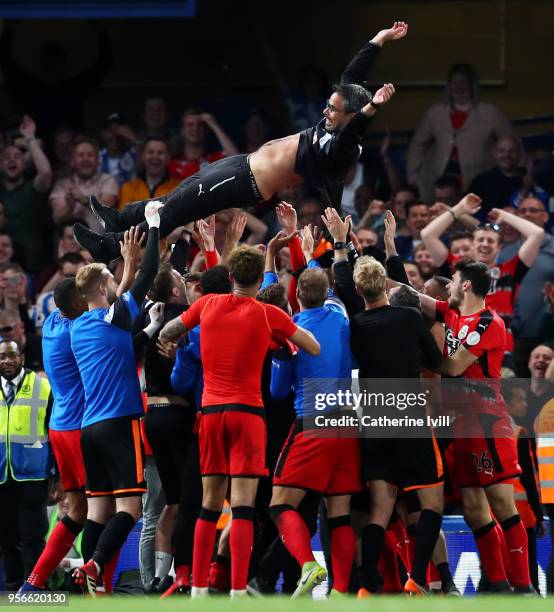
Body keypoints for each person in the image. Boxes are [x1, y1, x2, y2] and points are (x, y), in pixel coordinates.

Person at [73, 22, 409, 263]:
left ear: (353, 114)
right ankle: (123, 218)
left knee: (175, 212)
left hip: (246, 183)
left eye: (334, 110)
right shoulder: (341, 109)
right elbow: (351, 76)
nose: (326, 110)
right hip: (243, 163)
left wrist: (372, 108)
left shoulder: (344, 147)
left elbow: (353, 131)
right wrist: (380, 39)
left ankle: (113, 245)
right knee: (178, 194)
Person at [158, 245, 320, 598]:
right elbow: (313, 347)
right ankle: (236, 591)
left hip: (212, 414)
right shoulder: (267, 314)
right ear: (258, 280)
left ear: (230, 277)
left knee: (209, 503)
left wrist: (176, 337)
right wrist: (281, 340)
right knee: (244, 505)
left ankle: (199, 588)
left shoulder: (206, 305)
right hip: (248, 415)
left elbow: (170, 329)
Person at [416, 259, 535, 593]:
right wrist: (353, 253)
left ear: (466, 285)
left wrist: (413, 353)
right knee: (472, 509)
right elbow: (412, 296)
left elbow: (452, 367)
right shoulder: (452, 313)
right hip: (459, 429)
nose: (449, 285)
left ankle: (523, 585)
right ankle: (496, 583)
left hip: (486, 424)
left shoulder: (489, 323)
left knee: (501, 503)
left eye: (453, 279)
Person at [69, 202, 162, 595]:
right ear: (104, 287)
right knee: (130, 510)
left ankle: (94, 588)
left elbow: (121, 350)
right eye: (110, 278)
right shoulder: (113, 317)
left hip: (89, 428)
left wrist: (151, 329)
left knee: (98, 512)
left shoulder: (80, 327)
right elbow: (148, 274)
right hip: (119, 424)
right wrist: (153, 227)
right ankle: (93, 565)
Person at [267, 265, 359, 598]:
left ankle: (308, 565)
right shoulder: (339, 316)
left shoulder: (294, 333)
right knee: (340, 513)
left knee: (279, 505)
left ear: (296, 297)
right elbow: (324, 287)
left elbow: (278, 392)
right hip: (348, 423)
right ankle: (341, 592)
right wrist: (310, 255)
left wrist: (279, 359)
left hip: (313, 424)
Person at [19, 279, 88, 592]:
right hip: (78, 427)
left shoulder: (52, 322)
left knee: (79, 511)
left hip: (60, 425)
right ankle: (100, 586)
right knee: (104, 510)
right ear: (78, 304)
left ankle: (32, 584)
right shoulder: (79, 332)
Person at [421, 194, 544, 329]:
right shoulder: (457, 268)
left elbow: (537, 233)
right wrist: (460, 208)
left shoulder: (510, 270)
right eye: (480, 240)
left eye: (491, 241)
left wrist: (506, 217)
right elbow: (427, 235)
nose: (485, 244)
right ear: (472, 245)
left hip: (500, 342)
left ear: (499, 248)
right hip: (461, 338)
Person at [407, 63, 512, 202]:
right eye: (455, 83)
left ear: (472, 85)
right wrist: (413, 176)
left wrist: (523, 171)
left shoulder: (491, 113)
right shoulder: (435, 113)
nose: (459, 87)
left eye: (464, 82)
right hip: (440, 183)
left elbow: (511, 142)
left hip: (477, 182)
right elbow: (417, 146)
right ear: (449, 86)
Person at [0, 339, 52, 591]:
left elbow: (55, 432)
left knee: (32, 538)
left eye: (11, 355)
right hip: (1, 477)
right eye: (2, 357)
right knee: (6, 540)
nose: (6, 361)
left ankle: (34, 592)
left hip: (33, 476)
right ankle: (11, 592)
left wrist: (59, 476)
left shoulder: (43, 386)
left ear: (21, 357)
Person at [0, 117, 52, 272]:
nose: (11, 160)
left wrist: (30, 139)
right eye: (6, 157)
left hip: (31, 263)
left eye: (17, 157)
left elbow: (46, 173)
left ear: (25, 163)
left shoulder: (32, 187)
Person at [49, 138, 118, 229]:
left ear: (98, 160)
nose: (85, 159)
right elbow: (56, 218)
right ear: (73, 160)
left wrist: (85, 200)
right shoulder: (62, 185)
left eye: (90, 155)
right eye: (81, 155)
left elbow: (108, 209)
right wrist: (69, 206)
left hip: (101, 242)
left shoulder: (108, 180)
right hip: (70, 242)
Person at [168, 109, 239, 182]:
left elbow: (237, 160)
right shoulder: (173, 162)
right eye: (190, 125)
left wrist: (213, 124)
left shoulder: (215, 159)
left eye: (200, 125)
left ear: (206, 130)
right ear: (182, 131)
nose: (195, 128)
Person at [467, 136, 525, 220]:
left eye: (512, 151)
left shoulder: (528, 179)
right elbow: (470, 211)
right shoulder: (481, 181)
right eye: (502, 151)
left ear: (519, 153)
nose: (507, 155)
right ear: (494, 153)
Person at [119, 139, 181, 209]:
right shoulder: (128, 187)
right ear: (142, 156)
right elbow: (125, 216)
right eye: (151, 152)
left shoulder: (178, 189)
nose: (155, 156)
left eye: (160, 153)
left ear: (168, 158)